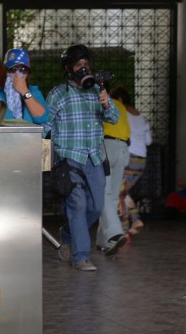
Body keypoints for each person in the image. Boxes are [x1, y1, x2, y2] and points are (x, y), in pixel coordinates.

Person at [42, 44, 119, 271]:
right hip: (68, 158)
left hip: (94, 157)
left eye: (86, 64)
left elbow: (113, 118)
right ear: (68, 68)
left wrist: (106, 103)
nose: (83, 68)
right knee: (78, 204)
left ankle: (67, 234)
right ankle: (81, 257)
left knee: (95, 207)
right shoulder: (58, 94)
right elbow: (45, 126)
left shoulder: (97, 90)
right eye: (78, 64)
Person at [110, 86, 152, 237]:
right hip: (141, 159)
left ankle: (124, 231)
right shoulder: (140, 116)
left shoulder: (121, 113)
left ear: (119, 100)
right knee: (121, 192)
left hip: (127, 156)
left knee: (117, 192)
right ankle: (135, 221)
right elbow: (148, 141)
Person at [96, 86, 129, 255]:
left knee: (103, 194)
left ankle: (114, 234)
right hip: (123, 148)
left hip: (107, 147)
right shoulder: (120, 106)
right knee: (113, 195)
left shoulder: (101, 102)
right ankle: (103, 240)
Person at [0, 48, 49, 124]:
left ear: (27, 73)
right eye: (13, 69)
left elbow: (43, 118)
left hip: (27, 135)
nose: (17, 73)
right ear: (5, 71)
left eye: (23, 69)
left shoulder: (34, 92)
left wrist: (25, 91)